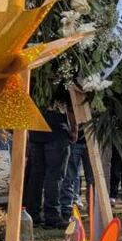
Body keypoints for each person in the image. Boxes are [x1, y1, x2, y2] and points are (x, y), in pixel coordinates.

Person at [23, 89, 71, 228]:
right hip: (56, 131)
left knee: (36, 175)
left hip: (36, 130)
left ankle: (33, 214)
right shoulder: (62, 79)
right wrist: (73, 129)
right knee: (54, 176)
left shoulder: (32, 77)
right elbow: (70, 104)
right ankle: (52, 215)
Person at [60, 124, 93, 215]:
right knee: (70, 177)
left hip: (90, 140)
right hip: (76, 141)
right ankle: (66, 207)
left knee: (92, 179)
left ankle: (93, 207)